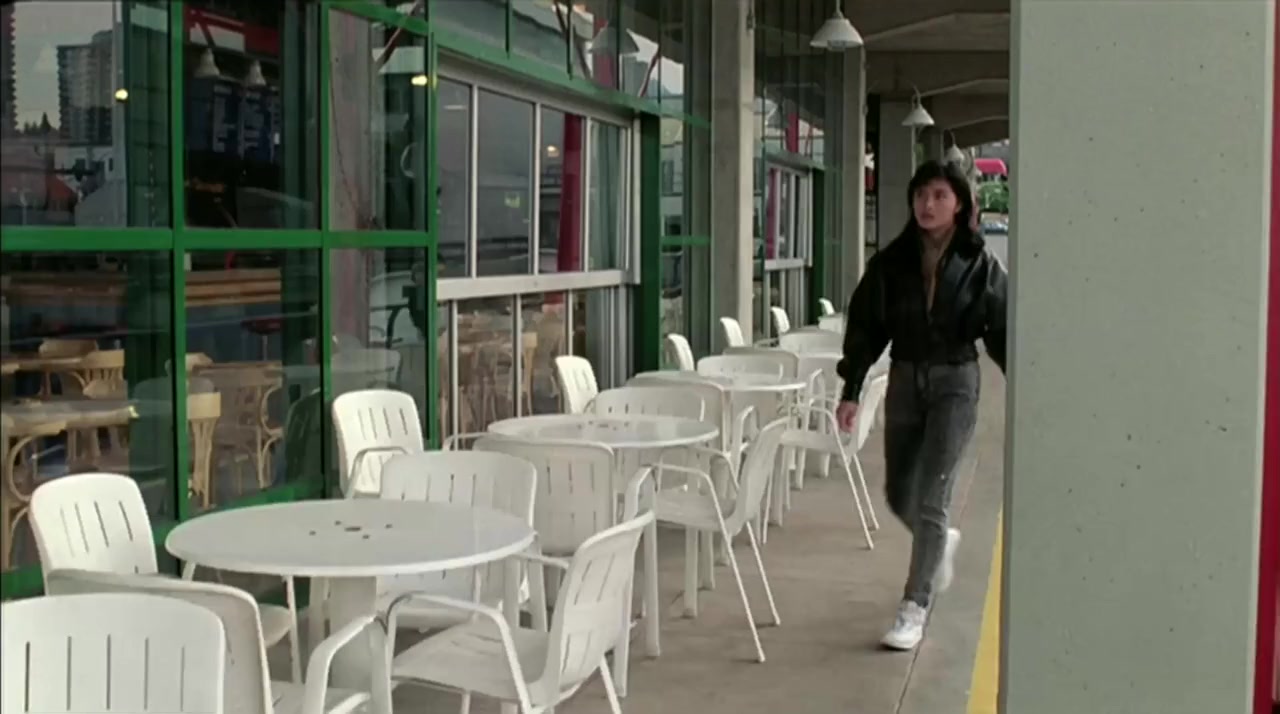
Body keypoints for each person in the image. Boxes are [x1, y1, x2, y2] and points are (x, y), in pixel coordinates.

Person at [835, 160, 1007, 651]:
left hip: (956, 380)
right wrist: (851, 389)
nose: (927, 205)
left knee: (933, 495)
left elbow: (1002, 329)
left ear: (959, 203)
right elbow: (866, 326)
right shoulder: (891, 262)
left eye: (939, 196)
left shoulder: (980, 263)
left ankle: (914, 605)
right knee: (898, 492)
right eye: (920, 196)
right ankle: (938, 541)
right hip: (906, 378)